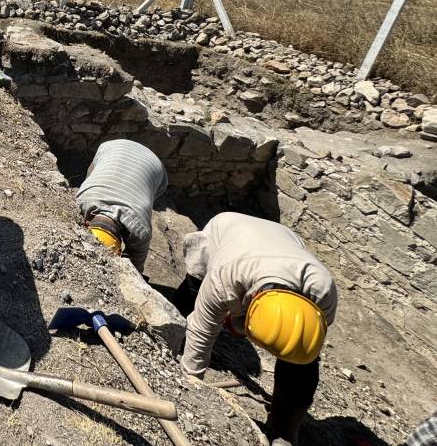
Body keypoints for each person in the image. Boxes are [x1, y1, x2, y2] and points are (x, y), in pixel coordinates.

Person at [173, 212, 337, 446]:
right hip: (227, 228)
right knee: (193, 290)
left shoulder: (324, 291)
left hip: (285, 239)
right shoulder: (224, 277)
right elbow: (202, 330)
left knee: (301, 362)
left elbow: (305, 347)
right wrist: (191, 387)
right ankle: (171, 330)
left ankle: (282, 429)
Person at [75, 139, 168, 273]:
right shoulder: (82, 199)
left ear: (86, 224)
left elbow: (135, 269)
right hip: (111, 148)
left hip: (154, 167)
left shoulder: (141, 230)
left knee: (146, 196)